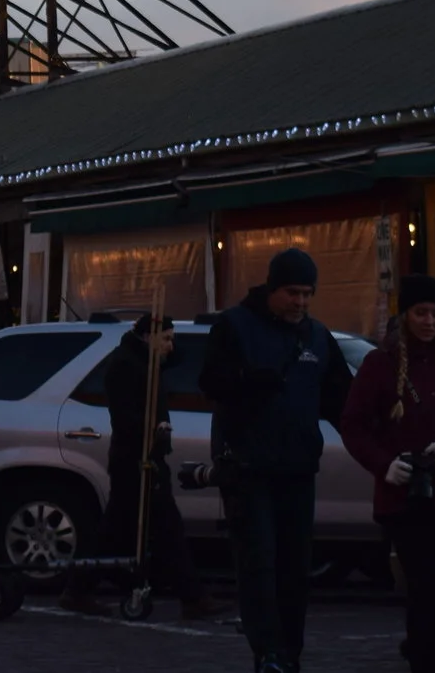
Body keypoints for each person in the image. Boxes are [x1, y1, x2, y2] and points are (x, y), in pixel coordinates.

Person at [201, 248, 356, 673]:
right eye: (292, 293)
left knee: (294, 569)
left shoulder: (318, 337)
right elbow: (210, 381)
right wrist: (249, 382)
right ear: (273, 288)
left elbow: (342, 402)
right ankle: (268, 651)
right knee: (259, 564)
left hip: (298, 468)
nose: (300, 303)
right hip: (249, 468)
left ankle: (291, 652)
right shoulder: (235, 326)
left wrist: (378, 437)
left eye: (308, 294)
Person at [338, 276, 435, 673]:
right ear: (405, 316)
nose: (430, 321)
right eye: (421, 313)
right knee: (424, 590)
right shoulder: (379, 365)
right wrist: (385, 464)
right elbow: (353, 426)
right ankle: (425, 661)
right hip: (407, 500)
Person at [97, 312, 220, 619]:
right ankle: (193, 597)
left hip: (147, 456)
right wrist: (154, 432)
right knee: (168, 528)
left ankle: (77, 588)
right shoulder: (127, 365)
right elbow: (125, 417)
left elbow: (177, 358)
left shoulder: (147, 360)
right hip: (137, 458)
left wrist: (165, 344)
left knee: (114, 530)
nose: (170, 345)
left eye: (171, 338)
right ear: (147, 337)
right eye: (165, 338)